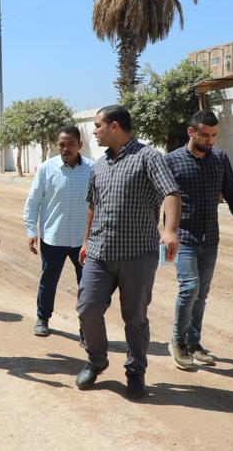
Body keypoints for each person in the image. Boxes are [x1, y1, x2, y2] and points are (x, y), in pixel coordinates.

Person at [75, 105, 181, 399]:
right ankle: (97, 360)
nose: (94, 131)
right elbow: (93, 206)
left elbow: (171, 193)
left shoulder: (148, 157)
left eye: (98, 125)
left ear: (115, 127)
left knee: (135, 320)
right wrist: (85, 242)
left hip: (137, 255)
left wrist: (170, 231)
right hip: (99, 252)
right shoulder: (99, 165)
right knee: (87, 310)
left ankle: (135, 373)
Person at [165, 109, 233, 370]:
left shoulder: (219, 159)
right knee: (189, 288)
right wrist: (162, 233)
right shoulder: (171, 161)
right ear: (191, 132)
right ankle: (177, 342)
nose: (210, 140)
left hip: (210, 238)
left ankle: (194, 343)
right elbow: (157, 199)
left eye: (214, 135)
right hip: (183, 237)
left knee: (201, 294)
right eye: (205, 135)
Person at [23, 125, 93, 338]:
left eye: (71, 144)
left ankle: (87, 327)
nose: (66, 148)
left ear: (80, 145)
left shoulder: (93, 169)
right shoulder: (47, 169)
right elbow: (33, 201)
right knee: (49, 280)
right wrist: (31, 230)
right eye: (62, 144)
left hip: (83, 241)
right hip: (53, 237)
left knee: (87, 285)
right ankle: (42, 318)